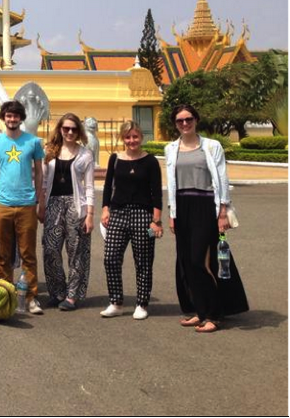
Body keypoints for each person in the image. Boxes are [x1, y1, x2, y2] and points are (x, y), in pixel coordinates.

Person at [166, 104, 248, 333]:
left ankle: (214, 313)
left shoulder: (212, 146)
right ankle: (199, 311)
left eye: (188, 119)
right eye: (180, 120)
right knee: (186, 262)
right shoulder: (171, 148)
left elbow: (222, 179)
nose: (184, 124)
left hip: (205, 205)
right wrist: (172, 213)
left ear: (196, 120)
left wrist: (223, 211)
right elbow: (171, 184)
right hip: (182, 206)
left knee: (198, 261)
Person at [0, 100, 45, 315]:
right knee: (3, 254)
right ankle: (6, 294)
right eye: (8, 116)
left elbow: (39, 172)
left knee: (28, 253)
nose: (12, 119)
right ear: (3, 117)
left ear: (21, 118)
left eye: (16, 116)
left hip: (27, 203)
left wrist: (40, 199)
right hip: (2, 202)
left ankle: (30, 297)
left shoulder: (33, 142)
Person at [101, 121, 163, 320]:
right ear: (123, 138)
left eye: (135, 136)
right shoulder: (115, 159)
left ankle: (142, 303)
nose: (132, 141)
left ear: (141, 137)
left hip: (143, 215)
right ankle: (116, 301)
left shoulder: (150, 161)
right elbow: (107, 186)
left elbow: (156, 193)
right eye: (128, 137)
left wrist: (156, 220)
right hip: (118, 212)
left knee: (143, 261)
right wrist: (105, 209)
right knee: (111, 258)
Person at [40, 113, 96, 311]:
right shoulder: (49, 151)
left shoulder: (85, 154)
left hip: (76, 205)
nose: (70, 132)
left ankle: (72, 295)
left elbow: (89, 187)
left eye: (73, 129)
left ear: (79, 131)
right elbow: (44, 183)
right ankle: (57, 291)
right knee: (50, 250)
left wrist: (89, 214)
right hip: (53, 204)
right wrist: (41, 206)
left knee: (76, 251)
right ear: (60, 130)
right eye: (66, 129)